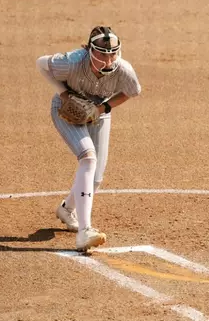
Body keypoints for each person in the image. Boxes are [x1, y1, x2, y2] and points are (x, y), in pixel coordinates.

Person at [36, 26, 141, 251]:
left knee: (95, 179)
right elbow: (40, 63)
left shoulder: (123, 69)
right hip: (65, 111)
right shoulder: (72, 61)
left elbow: (132, 92)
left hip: (98, 116)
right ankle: (85, 231)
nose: (108, 59)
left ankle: (66, 209)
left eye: (113, 53)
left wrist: (102, 108)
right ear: (89, 50)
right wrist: (64, 94)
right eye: (102, 54)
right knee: (88, 158)